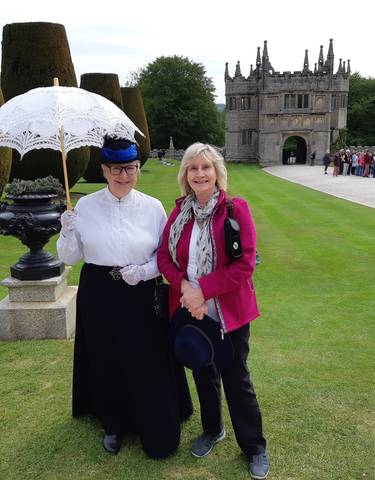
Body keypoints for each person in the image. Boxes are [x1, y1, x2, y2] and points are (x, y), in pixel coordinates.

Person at [57, 136, 192, 458]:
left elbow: (165, 254)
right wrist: (66, 230)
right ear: (104, 170)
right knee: (106, 355)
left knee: (145, 356)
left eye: (130, 168)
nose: (124, 176)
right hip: (99, 291)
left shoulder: (152, 207)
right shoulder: (85, 207)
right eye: (116, 169)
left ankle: (152, 415)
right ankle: (113, 423)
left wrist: (144, 272)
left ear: (138, 169)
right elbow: (71, 257)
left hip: (142, 291)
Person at [157, 143, 269, 479]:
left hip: (227, 311)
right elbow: (164, 256)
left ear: (217, 173)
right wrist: (186, 289)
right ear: (185, 175)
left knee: (237, 379)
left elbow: (244, 265)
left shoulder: (236, 209)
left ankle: (254, 447)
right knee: (203, 373)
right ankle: (212, 430)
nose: (200, 174)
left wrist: (203, 289)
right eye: (193, 168)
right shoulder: (180, 212)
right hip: (190, 308)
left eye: (206, 167)